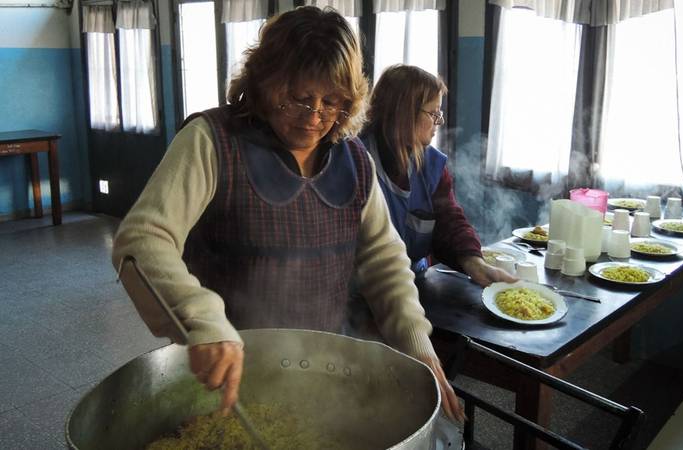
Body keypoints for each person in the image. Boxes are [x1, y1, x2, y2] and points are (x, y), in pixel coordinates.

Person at [111, 7, 463, 422]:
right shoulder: (211, 141)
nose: (314, 116)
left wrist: (416, 343)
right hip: (226, 380)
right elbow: (143, 240)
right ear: (263, 81)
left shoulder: (354, 159)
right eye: (298, 97)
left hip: (323, 370)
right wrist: (202, 320)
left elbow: (384, 260)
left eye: (331, 101)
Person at [360, 64, 515, 286]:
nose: (438, 123)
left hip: (414, 284)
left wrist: (474, 263)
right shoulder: (355, 159)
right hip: (365, 291)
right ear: (404, 111)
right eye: (433, 114)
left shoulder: (431, 165)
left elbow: (448, 219)